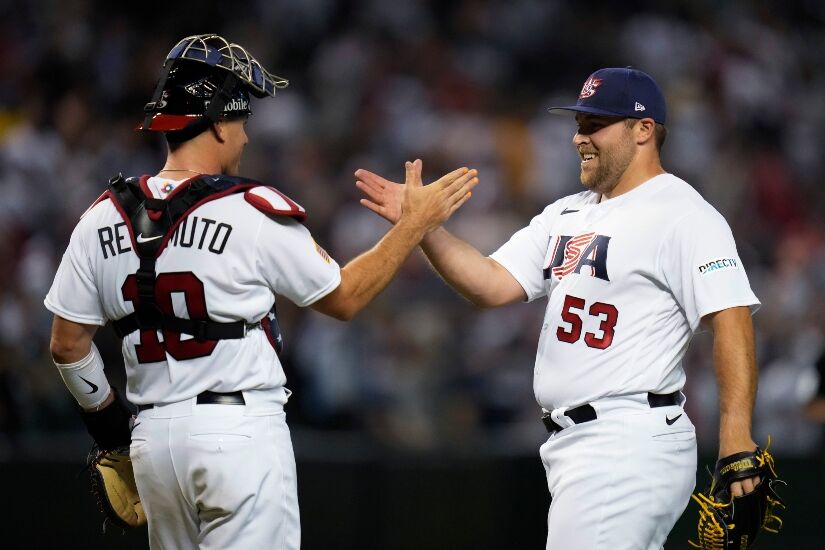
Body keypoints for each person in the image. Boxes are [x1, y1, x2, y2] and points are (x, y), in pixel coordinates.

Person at [44, 34, 477, 550]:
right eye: (241, 120)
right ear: (220, 124)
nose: (246, 136)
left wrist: (112, 434)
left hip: (152, 446)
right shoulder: (248, 208)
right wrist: (413, 225)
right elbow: (344, 297)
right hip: (237, 435)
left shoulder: (100, 217)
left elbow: (67, 345)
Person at [356, 67, 763, 549]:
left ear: (643, 130)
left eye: (595, 125)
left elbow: (731, 316)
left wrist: (737, 436)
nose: (578, 138)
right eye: (578, 125)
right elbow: (491, 284)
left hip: (627, 438)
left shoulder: (684, 213)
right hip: (577, 445)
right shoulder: (568, 211)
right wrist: (422, 227)